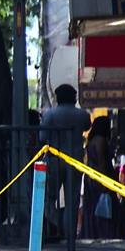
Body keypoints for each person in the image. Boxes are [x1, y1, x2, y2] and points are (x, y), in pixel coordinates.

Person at [38, 83, 89, 237]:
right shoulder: (82, 115)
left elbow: (42, 137)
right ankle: (69, 236)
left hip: (54, 159)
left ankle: (53, 227)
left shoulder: (50, 115)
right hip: (74, 160)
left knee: (49, 197)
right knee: (72, 201)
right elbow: (87, 126)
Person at [81, 113, 117, 238]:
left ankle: (91, 233)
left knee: (92, 208)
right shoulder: (101, 141)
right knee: (104, 208)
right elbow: (102, 163)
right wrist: (105, 183)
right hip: (100, 179)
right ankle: (104, 233)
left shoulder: (91, 141)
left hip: (90, 179)